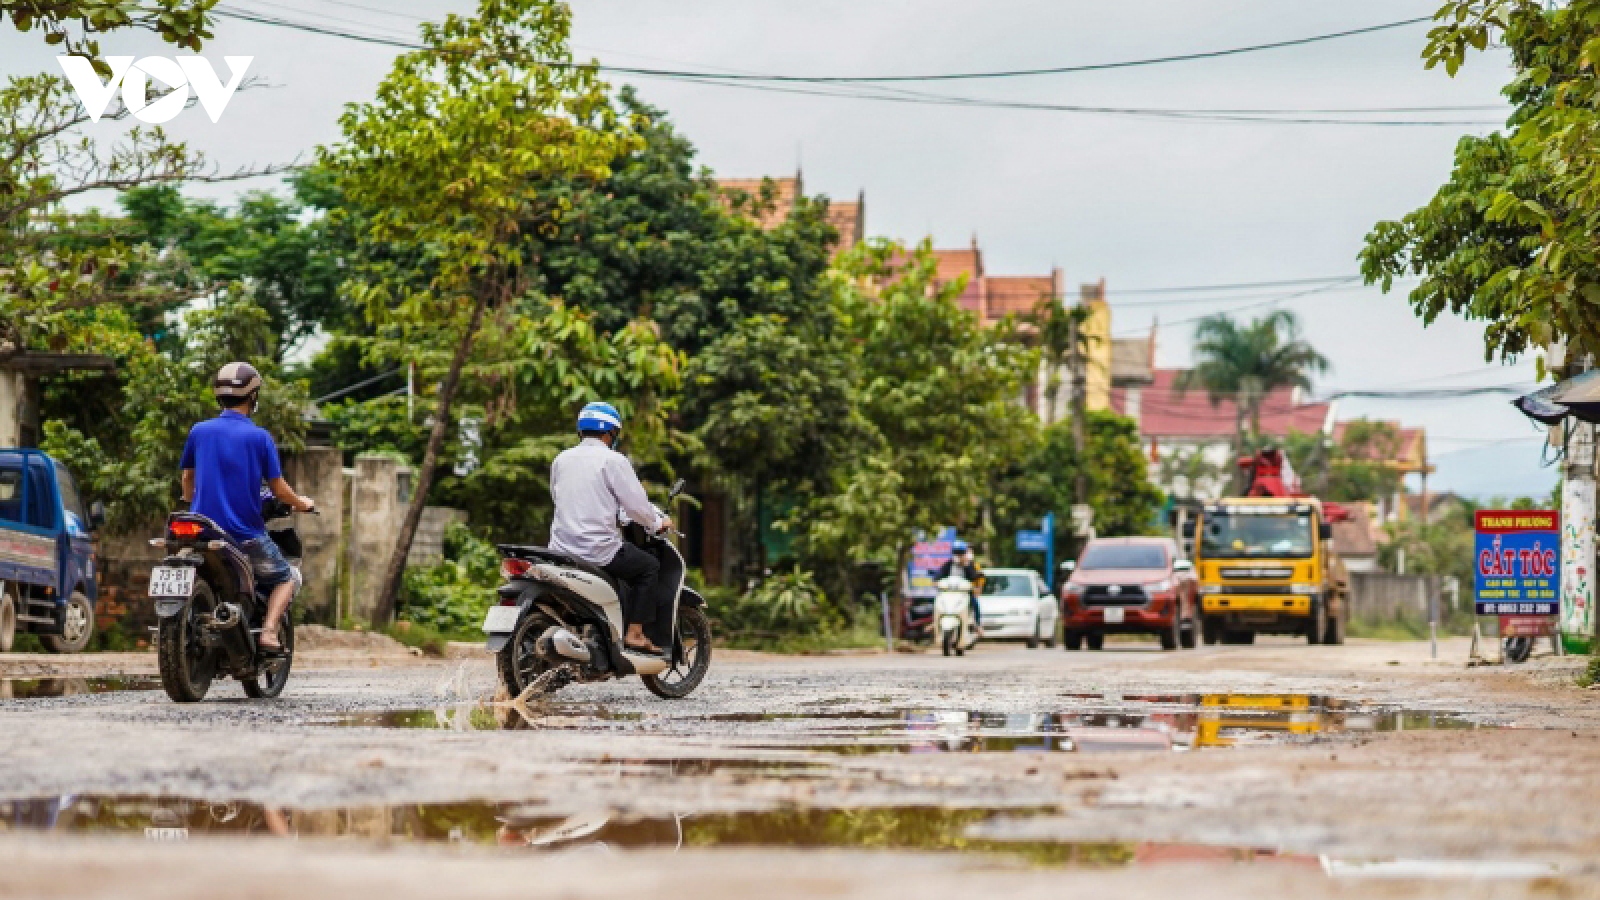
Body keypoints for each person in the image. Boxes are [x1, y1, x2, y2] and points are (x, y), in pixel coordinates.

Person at [180, 363, 315, 655]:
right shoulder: (259, 437)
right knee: (286, 577)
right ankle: (267, 632)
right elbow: (278, 489)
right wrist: (302, 503)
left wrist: (190, 502)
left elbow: (188, 478)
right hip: (244, 535)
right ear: (253, 397)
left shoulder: (199, 431)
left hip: (201, 530)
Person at [548, 402, 673, 656]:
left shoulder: (561, 459)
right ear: (611, 433)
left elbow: (559, 498)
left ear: (581, 431)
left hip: (560, 550)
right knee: (648, 566)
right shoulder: (613, 460)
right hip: (598, 551)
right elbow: (637, 506)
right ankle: (635, 634)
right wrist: (658, 523)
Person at [937, 541, 985, 636]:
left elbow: (974, 576)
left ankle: (977, 624)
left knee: (974, 603)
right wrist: (935, 580)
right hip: (948, 593)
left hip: (964, 593)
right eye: (956, 553)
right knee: (938, 602)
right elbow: (940, 573)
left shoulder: (969, 565)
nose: (958, 555)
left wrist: (966, 565)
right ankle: (935, 622)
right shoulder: (948, 564)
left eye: (960, 553)